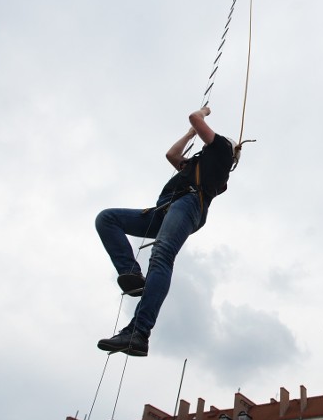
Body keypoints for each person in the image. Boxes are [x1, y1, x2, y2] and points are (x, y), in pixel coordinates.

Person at [95, 106, 238, 356]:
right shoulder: (198, 163)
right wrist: (190, 134)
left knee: (161, 255)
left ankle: (139, 333)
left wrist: (202, 114)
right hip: (166, 209)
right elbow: (172, 155)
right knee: (107, 219)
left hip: (188, 205)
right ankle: (131, 275)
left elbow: (194, 117)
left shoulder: (223, 150)